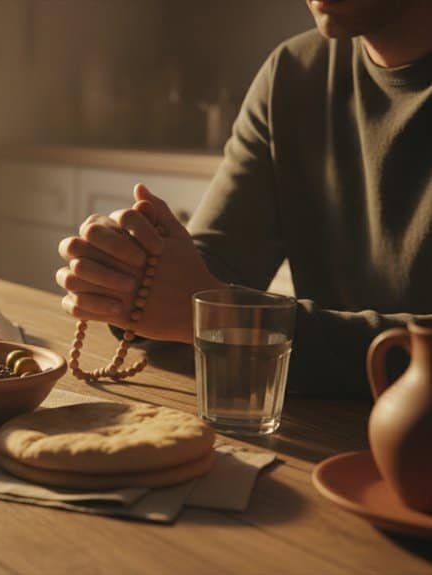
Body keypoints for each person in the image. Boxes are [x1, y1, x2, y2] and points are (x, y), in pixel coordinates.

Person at [56, 0, 432, 397]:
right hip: (311, 422)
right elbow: (212, 270)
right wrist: (134, 273)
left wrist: (215, 316)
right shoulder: (294, 70)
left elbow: (204, 306)